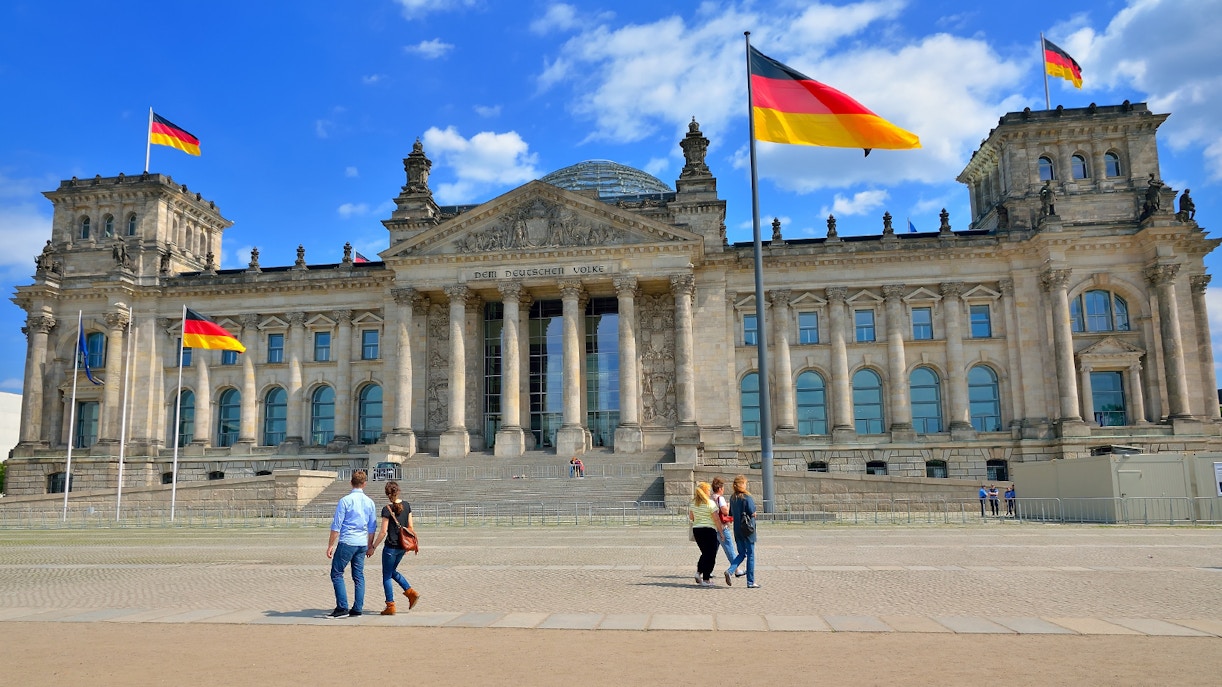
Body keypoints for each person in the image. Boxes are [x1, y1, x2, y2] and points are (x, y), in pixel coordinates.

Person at [325, 469, 378, 617]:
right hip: (362, 542)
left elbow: (336, 526)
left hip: (348, 541)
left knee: (336, 573)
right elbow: (372, 527)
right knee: (358, 576)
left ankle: (342, 607)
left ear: (351, 483)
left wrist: (330, 545)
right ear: (364, 484)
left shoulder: (345, 501)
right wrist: (370, 545)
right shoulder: (370, 502)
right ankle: (357, 608)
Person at [367, 480, 420, 615]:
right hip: (402, 547)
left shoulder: (387, 509)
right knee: (392, 572)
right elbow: (411, 528)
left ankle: (390, 605)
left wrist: (373, 547)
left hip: (390, 548)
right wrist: (408, 546)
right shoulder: (407, 505)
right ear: (398, 491)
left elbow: (383, 532)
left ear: (387, 494)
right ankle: (410, 593)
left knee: (386, 576)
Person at [725, 475, 759, 588]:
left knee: (741, 553)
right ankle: (750, 581)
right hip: (748, 529)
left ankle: (730, 571)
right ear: (741, 485)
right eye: (744, 483)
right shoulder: (747, 497)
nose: (746, 485)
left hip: (737, 529)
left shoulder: (732, 498)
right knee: (750, 555)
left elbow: (730, 513)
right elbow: (752, 512)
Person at [687, 481, 723, 586]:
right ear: (705, 491)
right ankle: (706, 579)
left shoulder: (693, 503)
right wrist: (721, 532)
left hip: (697, 530)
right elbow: (716, 519)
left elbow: (691, 517)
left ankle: (699, 572)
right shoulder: (710, 503)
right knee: (711, 555)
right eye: (708, 490)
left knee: (705, 553)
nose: (710, 492)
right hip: (709, 530)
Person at [710, 477, 742, 577]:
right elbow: (725, 511)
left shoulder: (711, 498)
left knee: (712, 551)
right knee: (730, 549)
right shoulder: (720, 498)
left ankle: (707, 570)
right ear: (719, 488)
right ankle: (736, 570)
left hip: (713, 527)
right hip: (722, 527)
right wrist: (728, 506)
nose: (723, 490)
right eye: (723, 488)